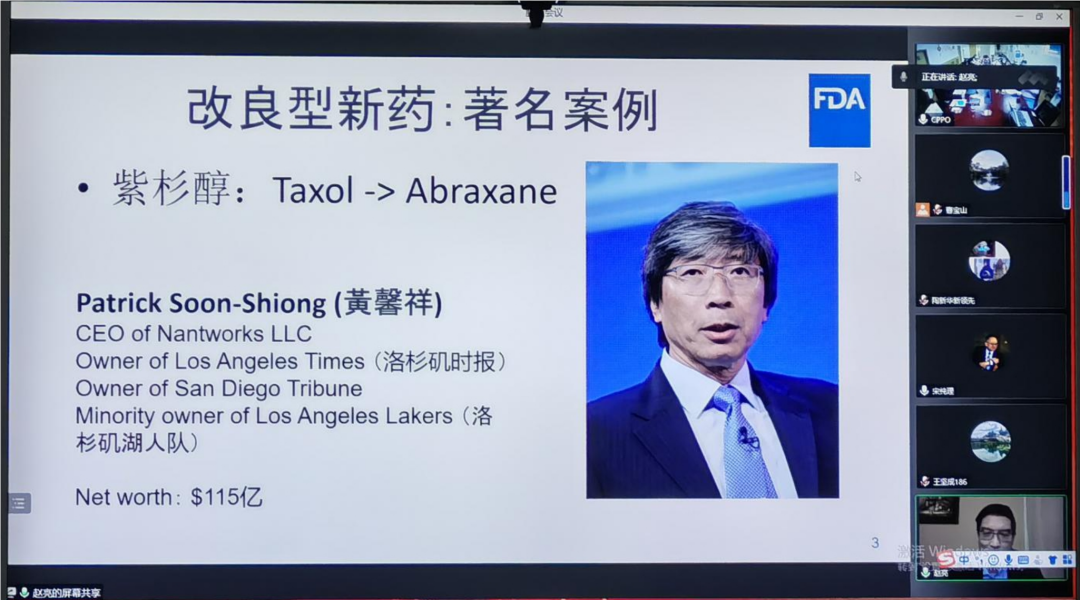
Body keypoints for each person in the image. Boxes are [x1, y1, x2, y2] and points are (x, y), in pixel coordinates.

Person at [587, 202, 839, 499]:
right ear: (655, 303)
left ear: (766, 305)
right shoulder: (596, 433)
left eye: (740, 271)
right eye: (693, 272)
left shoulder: (831, 408)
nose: (720, 296)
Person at [946, 504, 1044, 580]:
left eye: (1004, 534)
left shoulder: (1030, 571)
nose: (995, 543)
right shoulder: (958, 571)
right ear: (978, 535)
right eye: (987, 533)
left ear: (1013, 537)